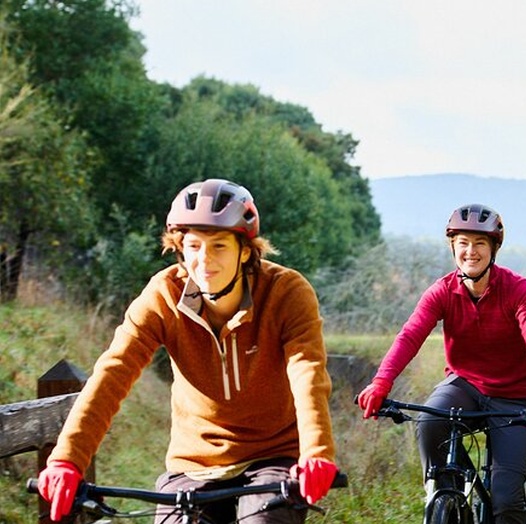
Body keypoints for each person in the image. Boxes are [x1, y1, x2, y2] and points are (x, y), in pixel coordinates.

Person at [37, 179, 338, 524]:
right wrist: (67, 459)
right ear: (180, 248)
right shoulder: (164, 296)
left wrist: (316, 451)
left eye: (219, 246)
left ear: (245, 250)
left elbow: (308, 372)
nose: (204, 260)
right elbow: (113, 372)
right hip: (193, 464)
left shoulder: (285, 293)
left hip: (273, 457)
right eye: (193, 245)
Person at [356, 203, 526, 524]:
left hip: (515, 397)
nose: (471, 251)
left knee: (506, 499)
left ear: (494, 248)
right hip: (465, 385)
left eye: (480, 243)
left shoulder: (518, 290)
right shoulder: (442, 291)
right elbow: (410, 335)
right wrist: (381, 383)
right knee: (428, 423)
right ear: (453, 246)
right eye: (463, 243)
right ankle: (447, 495)